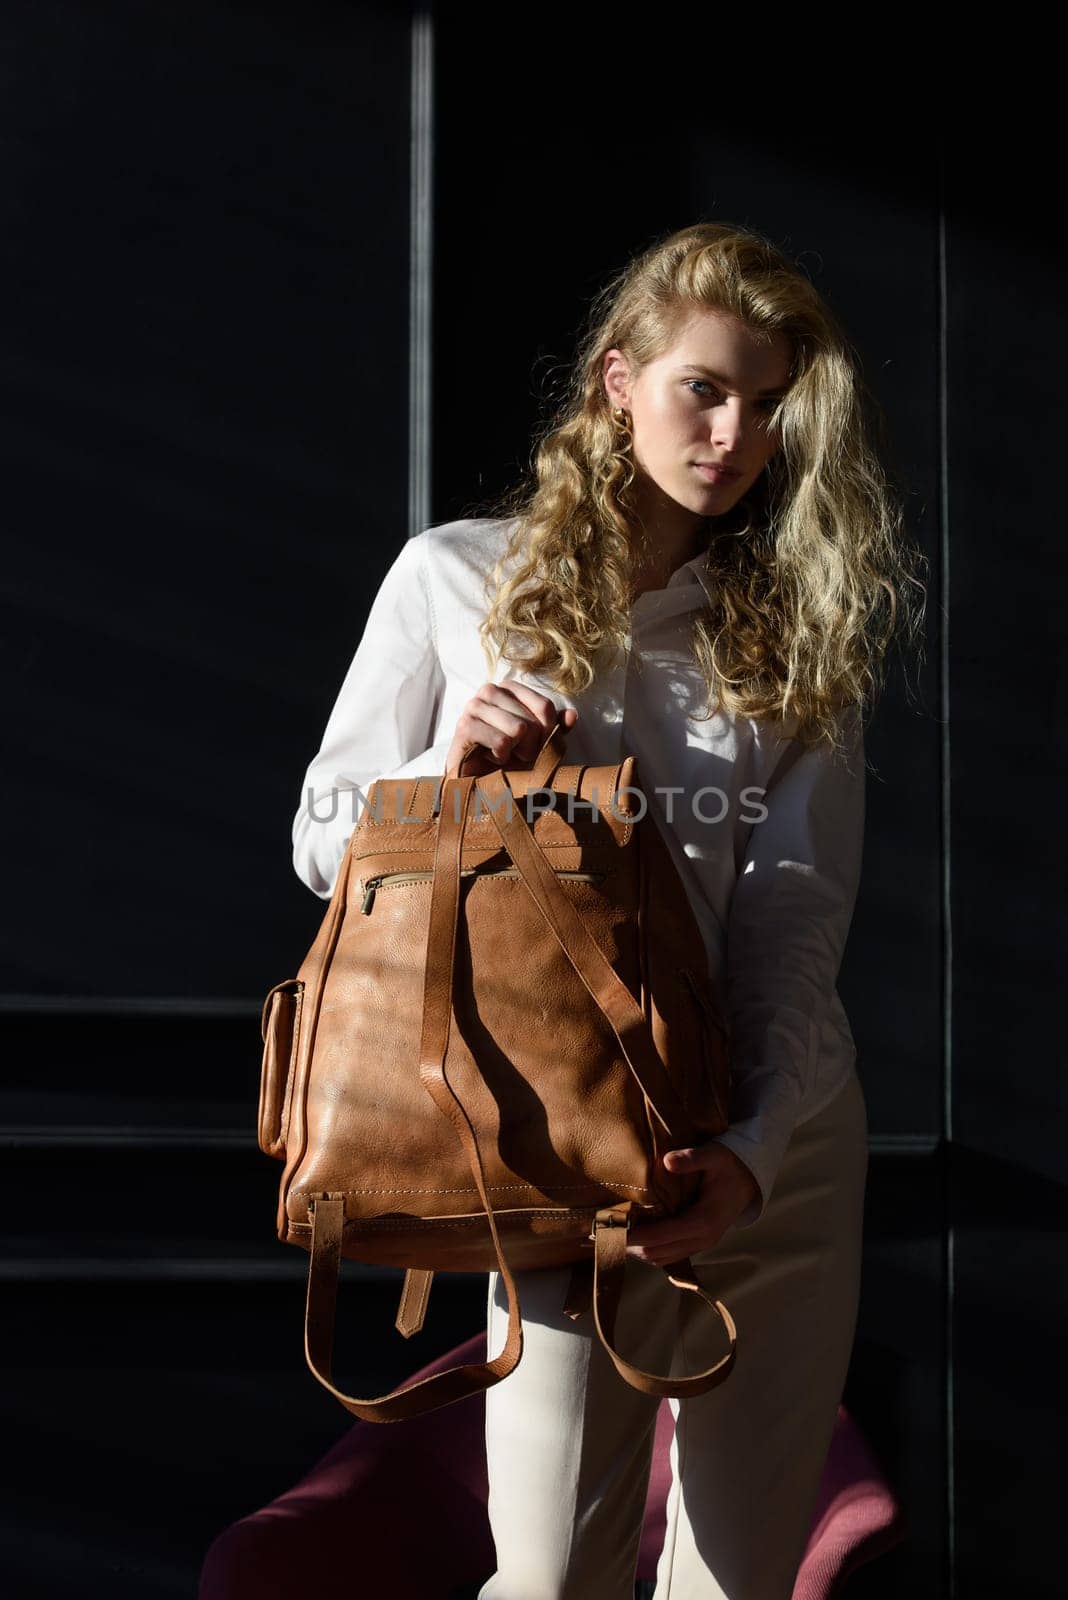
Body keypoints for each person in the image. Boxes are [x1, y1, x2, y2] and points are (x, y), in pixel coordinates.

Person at [291, 221, 926, 1599]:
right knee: (550, 1576)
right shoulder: (457, 580)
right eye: (704, 387)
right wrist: (441, 770)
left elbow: (794, 914)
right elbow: (320, 844)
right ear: (615, 384)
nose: (735, 432)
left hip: (774, 1147)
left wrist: (751, 1152)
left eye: (767, 405)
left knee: (738, 1583)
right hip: (555, 1140)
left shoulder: (796, 626)